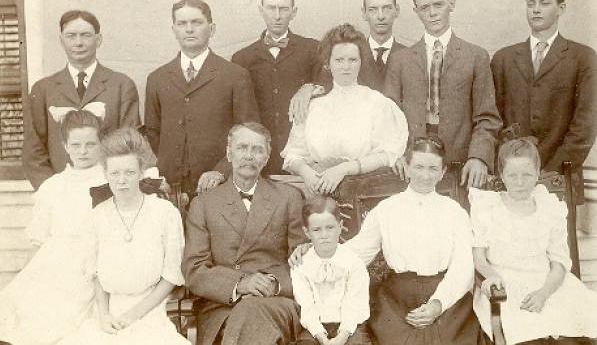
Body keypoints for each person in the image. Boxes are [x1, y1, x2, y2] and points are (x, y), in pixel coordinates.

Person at [290, 136, 479, 344]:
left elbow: (463, 266)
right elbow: (358, 252)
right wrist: (315, 251)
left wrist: (438, 304)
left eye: (433, 169)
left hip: (447, 299)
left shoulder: (454, 212)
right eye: (418, 167)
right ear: (406, 168)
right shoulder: (387, 209)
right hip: (397, 301)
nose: (425, 176)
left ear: (443, 172)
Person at [58, 127, 188, 345]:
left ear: (141, 172)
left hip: (152, 310)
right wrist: (103, 315)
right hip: (108, 312)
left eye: (129, 172)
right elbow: (96, 274)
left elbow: (171, 276)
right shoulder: (97, 216)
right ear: (106, 174)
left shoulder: (165, 213)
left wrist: (133, 315)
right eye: (114, 174)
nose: (121, 181)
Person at [182, 122, 305, 345]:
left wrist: (275, 284)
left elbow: (304, 261)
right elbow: (195, 271)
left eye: (258, 150)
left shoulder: (288, 198)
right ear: (229, 154)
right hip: (222, 307)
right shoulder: (203, 204)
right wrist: (241, 283)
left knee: (253, 312)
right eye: (242, 148)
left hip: (275, 302)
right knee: (247, 315)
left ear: (267, 157)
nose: (249, 156)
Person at [470, 139, 597, 345]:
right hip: (506, 287)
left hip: (548, 285)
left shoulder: (549, 207)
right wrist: (492, 276)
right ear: (502, 175)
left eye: (527, 175)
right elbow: (479, 257)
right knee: (527, 333)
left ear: (537, 173)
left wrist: (543, 294)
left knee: (580, 327)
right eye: (512, 175)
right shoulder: (488, 207)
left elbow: (559, 263)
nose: (520, 182)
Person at [384, 0, 502, 189]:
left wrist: (479, 157)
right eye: (424, 7)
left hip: (461, 167)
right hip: (412, 168)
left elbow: (487, 118)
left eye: (438, 5)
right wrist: (396, 155)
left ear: (452, 4)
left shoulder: (476, 56)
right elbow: (388, 117)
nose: (432, 13)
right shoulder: (400, 59)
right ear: (416, 11)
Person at [0, 110, 106, 344]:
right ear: (65, 146)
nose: (83, 151)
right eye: (76, 145)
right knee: (28, 308)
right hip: (56, 261)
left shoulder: (110, 181)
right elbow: (40, 240)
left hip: (97, 261)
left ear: (100, 144)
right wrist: (30, 274)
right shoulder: (53, 186)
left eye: (90, 144)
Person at [144, 0, 260, 199]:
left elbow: (248, 134)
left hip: (220, 187)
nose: (189, 29)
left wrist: (221, 171)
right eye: (182, 23)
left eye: (196, 22)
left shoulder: (235, 75)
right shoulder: (157, 78)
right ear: (174, 30)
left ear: (212, 29)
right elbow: (154, 133)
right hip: (171, 189)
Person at [491, 0, 597, 192]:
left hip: (560, 178)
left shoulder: (583, 58)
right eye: (531, 4)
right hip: (511, 177)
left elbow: (585, 126)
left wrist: (548, 173)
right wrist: (512, 169)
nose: (536, 10)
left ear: (561, 8)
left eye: (544, 3)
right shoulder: (503, 58)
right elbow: (494, 119)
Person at [280, 23, 408, 195]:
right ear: (328, 63)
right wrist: (307, 173)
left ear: (361, 62)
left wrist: (344, 169)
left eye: (352, 60)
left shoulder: (377, 103)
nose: (346, 67)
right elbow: (293, 154)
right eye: (339, 60)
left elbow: (387, 153)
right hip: (317, 191)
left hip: (363, 191)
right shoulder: (313, 105)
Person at [23, 10, 140, 190]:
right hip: (60, 194)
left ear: (98, 40)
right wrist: (52, 191)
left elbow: (129, 146)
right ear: (61, 40)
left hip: (109, 191)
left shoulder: (122, 85)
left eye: (85, 35)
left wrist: (113, 188)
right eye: (71, 36)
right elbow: (33, 150)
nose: (78, 43)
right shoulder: (43, 89)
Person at [228, 0, 320, 175]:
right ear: (261, 11)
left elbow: (329, 83)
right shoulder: (242, 58)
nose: (277, 15)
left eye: (284, 9)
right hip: (260, 156)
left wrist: (309, 86)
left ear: (293, 12)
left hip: (303, 155)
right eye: (271, 8)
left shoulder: (313, 49)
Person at [288, 0, 404, 124]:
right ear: (364, 13)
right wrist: (308, 87)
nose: (380, 16)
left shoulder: (407, 56)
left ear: (397, 11)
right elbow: (325, 82)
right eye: (373, 10)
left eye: (387, 8)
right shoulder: (347, 55)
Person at [291, 195, 370, 345]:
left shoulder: (353, 262)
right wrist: (321, 337)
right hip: (314, 329)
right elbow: (306, 306)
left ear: (340, 227)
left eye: (330, 228)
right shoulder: (301, 265)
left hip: (350, 327)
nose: (324, 236)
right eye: (316, 230)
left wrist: (342, 337)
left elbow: (354, 304)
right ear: (306, 232)